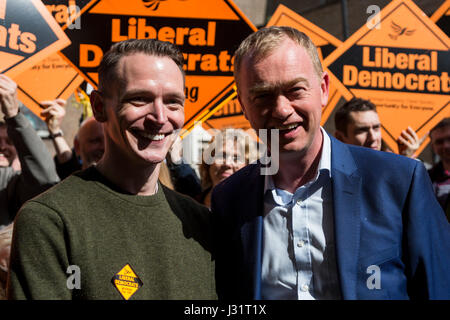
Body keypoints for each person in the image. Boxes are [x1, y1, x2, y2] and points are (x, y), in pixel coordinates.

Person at [212, 26, 450, 300]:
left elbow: (439, 289)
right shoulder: (228, 200)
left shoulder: (399, 180)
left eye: (295, 90)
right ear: (243, 104)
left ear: (323, 89)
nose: (281, 109)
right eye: (262, 95)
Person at [7, 39, 216, 300]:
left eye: (173, 102)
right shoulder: (50, 221)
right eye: (140, 99)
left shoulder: (201, 224)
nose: (160, 117)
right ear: (98, 107)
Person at [0, 75, 60, 227]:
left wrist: (14, 116)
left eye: (10, 141)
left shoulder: (9, 184)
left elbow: (45, 181)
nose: (2, 147)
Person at [334, 97, 423, 157]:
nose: (373, 137)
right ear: (340, 138)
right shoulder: (330, 173)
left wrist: (405, 161)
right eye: (362, 130)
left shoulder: (393, 164)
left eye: (376, 128)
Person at [40, 99, 105, 179]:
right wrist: (55, 130)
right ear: (78, 146)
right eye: (95, 141)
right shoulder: (71, 180)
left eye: (109, 141)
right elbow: (67, 163)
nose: (103, 147)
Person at [198, 128, 258, 207]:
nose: (227, 164)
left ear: (248, 166)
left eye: (236, 158)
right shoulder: (191, 203)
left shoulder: (256, 210)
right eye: (221, 155)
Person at [428, 118, 450, 221]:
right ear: (433, 146)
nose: (446, 146)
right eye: (439, 142)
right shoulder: (426, 178)